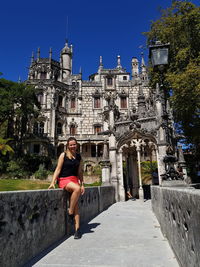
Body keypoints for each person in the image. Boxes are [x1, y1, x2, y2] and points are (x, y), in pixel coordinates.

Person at [48, 137, 85, 239]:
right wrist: (52, 182)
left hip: (74, 180)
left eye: (74, 144)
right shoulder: (63, 155)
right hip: (64, 180)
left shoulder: (78, 157)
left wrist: (82, 184)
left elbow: (80, 172)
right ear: (68, 146)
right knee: (76, 190)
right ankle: (70, 212)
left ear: (76, 145)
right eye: (71, 145)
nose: (73, 146)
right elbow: (58, 169)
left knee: (76, 204)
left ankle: (77, 230)